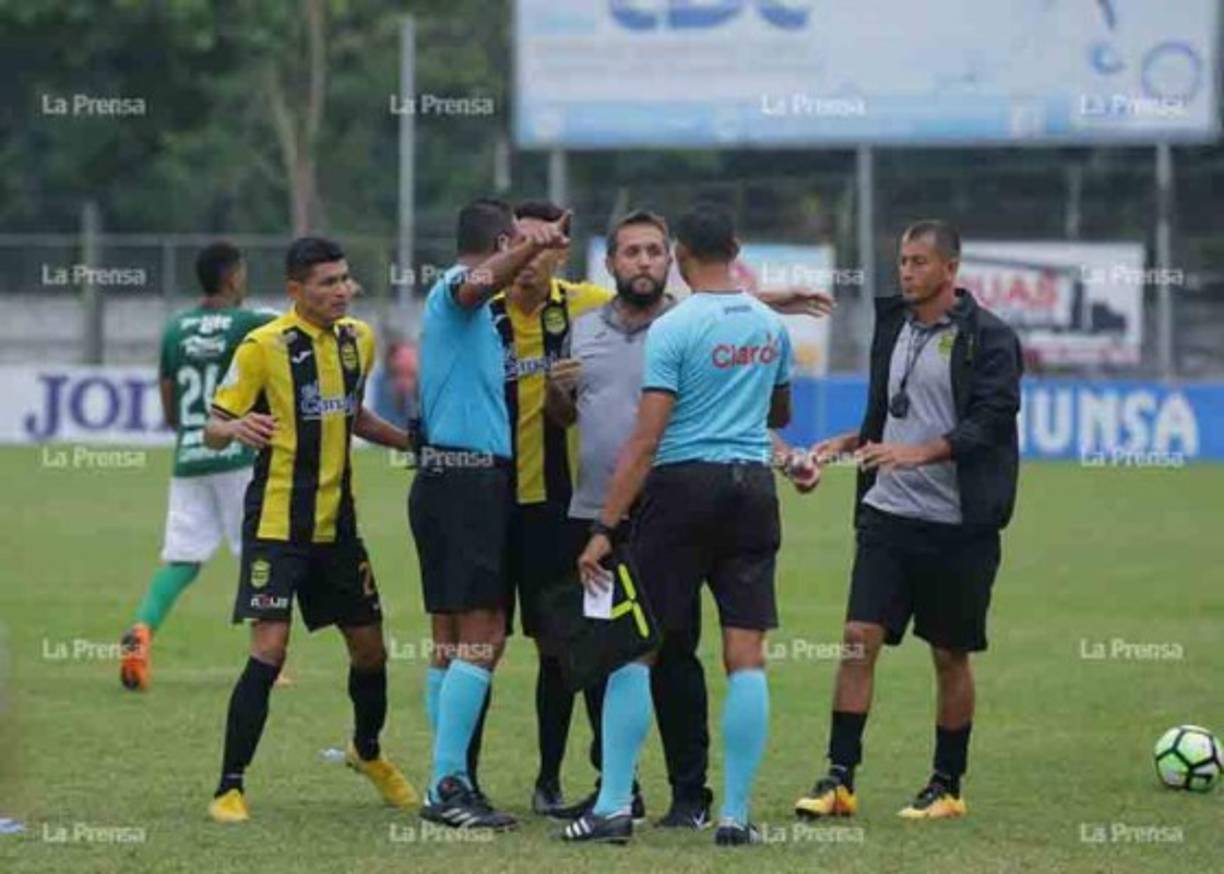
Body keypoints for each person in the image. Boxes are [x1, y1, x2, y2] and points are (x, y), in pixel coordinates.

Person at [543, 208, 834, 827]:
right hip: (752, 490)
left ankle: (615, 806)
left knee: (634, 648)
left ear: (676, 254)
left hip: (680, 490)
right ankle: (734, 816)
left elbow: (645, 441)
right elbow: (778, 413)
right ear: (737, 248)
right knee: (745, 655)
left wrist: (602, 529)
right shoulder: (769, 326)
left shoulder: (673, 330)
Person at [793, 219, 1022, 821]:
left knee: (949, 654)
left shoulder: (990, 338)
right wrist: (852, 441)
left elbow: (992, 421)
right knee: (856, 640)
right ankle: (838, 779)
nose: (907, 271)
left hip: (958, 524)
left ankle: (947, 785)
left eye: (920, 261)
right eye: (902, 260)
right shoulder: (892, 322)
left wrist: (922, 452)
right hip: (888, 512)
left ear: (951, 268)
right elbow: (888, 413)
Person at [203, 237, 416, 823]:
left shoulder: (360, 341)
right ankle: (229, 785)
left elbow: (357, 416)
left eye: (345, 279)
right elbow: (212, 428)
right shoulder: (262, 347)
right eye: (327, 283)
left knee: (371, 650)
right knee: (270, 650)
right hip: (276, 524)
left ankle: (367, 752)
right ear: (296, 290)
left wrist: (411, 443)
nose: (342, 291)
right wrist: (236, 426)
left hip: (338, 528)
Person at [409, 198, 570, 830]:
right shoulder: (457, 288)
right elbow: (480, 283)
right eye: (519, 244)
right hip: (466, 480)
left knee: (451, 642)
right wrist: (534, 246)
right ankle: (448, 784)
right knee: (485, 635)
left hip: (449, 478)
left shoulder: (453, 306)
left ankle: (446, 778)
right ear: (504, 240)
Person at [119, 242, 274, 691]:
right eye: (242, 273)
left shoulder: (176, 329)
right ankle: (269, 660)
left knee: (183, 557)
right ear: (232, 278)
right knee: (259, 554)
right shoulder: (250, 323)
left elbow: (168, 402)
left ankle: (142, 632)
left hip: (190, 455)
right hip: (237, 451)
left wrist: (192, 431)